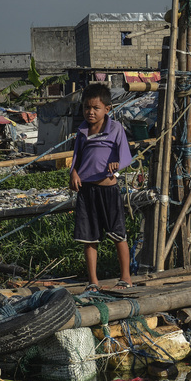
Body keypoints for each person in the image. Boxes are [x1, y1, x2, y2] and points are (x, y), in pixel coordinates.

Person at [71, 83, 133, 291]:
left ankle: (126, 277)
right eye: (87, 108)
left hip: (109, 189)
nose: (90, 112)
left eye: (95, 108)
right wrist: (73, 173)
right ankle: (93, 282)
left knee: (118, 234)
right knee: (89, 238)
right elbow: (76, 158)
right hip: (87, 190)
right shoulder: (82, 131)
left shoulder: (115, 129)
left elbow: (125, 155)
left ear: (107, 109)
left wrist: (117, 164)